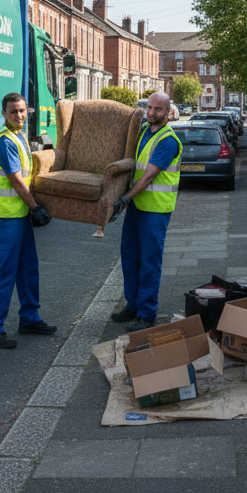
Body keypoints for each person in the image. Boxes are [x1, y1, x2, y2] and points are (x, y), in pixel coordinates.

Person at [0, 92, 55, 349]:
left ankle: (30, 318)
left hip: (18, 214)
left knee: (27, 268)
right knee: (3, 272)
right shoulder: (4, 142)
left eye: (22, 110)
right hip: (5, 215)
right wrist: (35, 208)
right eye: (13, 112)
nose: (19, 115)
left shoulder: (18, 136)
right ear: (3, 114)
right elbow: (15, 180)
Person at [109, 91, 182, 331]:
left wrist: (124, 199)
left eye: (157, 109)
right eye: (149, 108)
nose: (151, 113)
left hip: (155, 210)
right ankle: (133, 306)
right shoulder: (142, 132)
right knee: (130, 259)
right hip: (137, 206)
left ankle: (147, 313)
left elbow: (149, 176)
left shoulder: (167, 140)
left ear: (168, 112)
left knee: (150, 262)